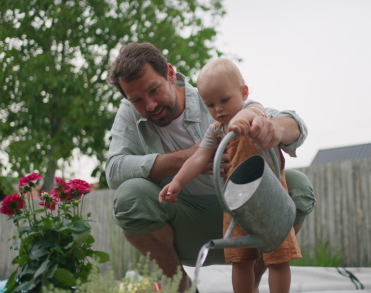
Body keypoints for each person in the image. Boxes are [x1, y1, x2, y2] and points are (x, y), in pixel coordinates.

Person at [106, 42, 315, 292]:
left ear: (171, 74)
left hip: (246, 211)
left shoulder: (216, 97)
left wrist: (276, 127)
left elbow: (292, 124)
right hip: (187, 222)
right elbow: (115, 170)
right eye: (137, 99)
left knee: (298, 186)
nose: (149, 105)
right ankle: (182, 288)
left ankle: (255, 286)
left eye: (154, 90)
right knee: (131, 196)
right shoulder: (132, 111)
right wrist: (181, 170)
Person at [159, 58, 301, 293]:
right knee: (240, 260)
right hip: (236, 206)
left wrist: (240, 123)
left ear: (243, 92)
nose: (218, 109)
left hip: (270, 200)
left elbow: (249, 116)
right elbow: (197, 158)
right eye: (210, 105)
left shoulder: (253, 111)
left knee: (277, 258)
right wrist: (177, 182)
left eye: (224, 100)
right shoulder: (215, 130)